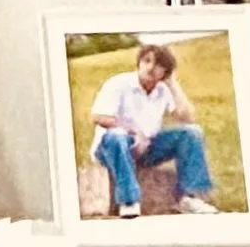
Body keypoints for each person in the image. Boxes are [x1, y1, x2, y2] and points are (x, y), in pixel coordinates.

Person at [89, 43, 217, 216]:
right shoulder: (119, 83)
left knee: (192, 133)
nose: (150, 67)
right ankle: (129, 201)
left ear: (165, 71)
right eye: (146, 61)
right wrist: (135, 132)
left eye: (158, 65)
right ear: (139, 63)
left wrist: (173, 84)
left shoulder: (163, 90)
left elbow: (187, 117)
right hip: (111, 148)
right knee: (118, 135)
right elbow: (97, 117)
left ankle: (190, 198)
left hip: (146, 148)